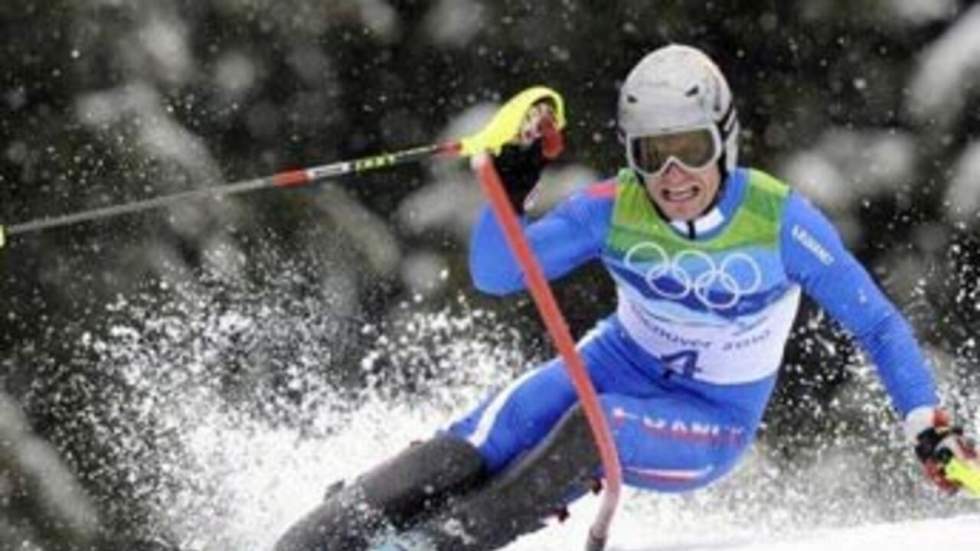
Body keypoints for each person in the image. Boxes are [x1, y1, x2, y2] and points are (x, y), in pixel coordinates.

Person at [274, 44, 978, 551]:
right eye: (651, 153)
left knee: (593, 426)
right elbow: (498, 271)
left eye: (691, 150)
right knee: (483, 441)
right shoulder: (614, 207)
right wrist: (512, 184)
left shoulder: (781, 221)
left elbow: (878, 324)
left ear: (724, 142)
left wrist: (929, 425)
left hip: (710, 418)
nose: (673, 175)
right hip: (613, 361)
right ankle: (321, 535)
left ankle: (434, 546)